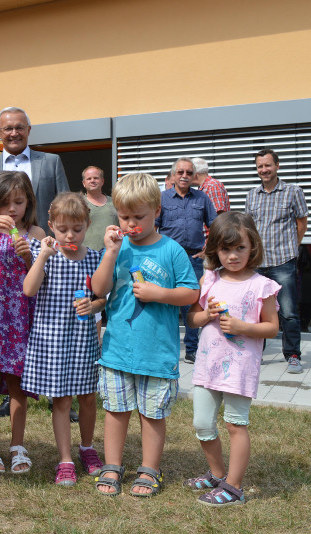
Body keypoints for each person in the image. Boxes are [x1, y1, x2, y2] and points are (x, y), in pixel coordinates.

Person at [91, 172, 199, 497]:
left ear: (156, 211)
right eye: (124, 217)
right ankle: (112, 465)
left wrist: (159, 294)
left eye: (139, 216)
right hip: (117, 350)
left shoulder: (172, 250)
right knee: (116, 410)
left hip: (157, 351)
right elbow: (98, 289)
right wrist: (110, 252)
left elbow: (190, 293)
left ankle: (149, 469)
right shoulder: (117, 247)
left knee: (152, 414)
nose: (131, 223)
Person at [185, 212, 280, 506]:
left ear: (253, 246)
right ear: (216, 249)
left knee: (236, 424)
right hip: (207, 365)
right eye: (226, 249)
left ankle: (234, 487)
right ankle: (217, 474)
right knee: (202, 423)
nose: (233, 255)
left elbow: (273, 327)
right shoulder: (210, 279)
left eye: (240, 247)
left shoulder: (261, 285)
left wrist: (243, 327)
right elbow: (192, 319)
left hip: (240, 368)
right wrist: (207, 314)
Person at [21, 192, 106, 486]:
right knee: (62, 400)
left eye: (77, 229)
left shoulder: (94, 257)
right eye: (62, 229)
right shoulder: (42, 252)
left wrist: (93, 305)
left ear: (88, 225)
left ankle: (87, 447)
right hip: (52, 338)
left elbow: (102, 297)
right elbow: (29, 290)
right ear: (51, 226)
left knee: (88, 398)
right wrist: (43, 255)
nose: (70, 235)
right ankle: (65, 459)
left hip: (83, 339)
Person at [0, 171, 42, 474]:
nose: (12, 210)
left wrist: (30, 258)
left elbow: (43, 279)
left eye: (18, 201)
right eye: (4, 203)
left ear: (29, 201)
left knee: (17, 383)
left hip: (19, 315)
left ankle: (17, 445)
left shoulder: (37, 234)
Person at [245, 148, 308, 374]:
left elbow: (302, 222)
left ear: (277, 166)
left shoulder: (293, 191)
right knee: (256, 311)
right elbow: (249, 229)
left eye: (268, 165)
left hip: (283, 261)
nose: (264, 170)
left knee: (289, 311)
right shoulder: (252, 194)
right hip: (257, 263)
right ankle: (255, 353)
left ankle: (292, 355)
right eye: (260, 166)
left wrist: (293, 247)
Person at [156, 158, 217, 364]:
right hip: (166, 259)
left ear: (194, 176)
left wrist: (208, 250)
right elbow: (152, 228)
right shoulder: (161, 199)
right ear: (173, 175)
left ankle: (192, 349)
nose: (184, 176)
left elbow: (215, 226)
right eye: (180, 172)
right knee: (166, 303)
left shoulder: (202, 198)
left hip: (193, 258)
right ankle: (167, 347)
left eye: (189, 172)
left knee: (192, 304)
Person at [0, 106, 69, 233]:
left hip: (44, 244)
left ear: (28, 130)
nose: (14, 133)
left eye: (19, 128)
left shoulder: (51, 162)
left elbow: (66, 204)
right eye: (8, 128)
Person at [82, 165, 118, 345]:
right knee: (92, 301)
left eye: (96, 178)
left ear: (103, 181)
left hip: (110, 259)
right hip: (85, 260)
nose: (93, 181)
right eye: (89, 179)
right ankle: (95, 342)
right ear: (83, 183)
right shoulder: (79, 204)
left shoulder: (114, 204)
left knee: (112, 300)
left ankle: (113, 339)